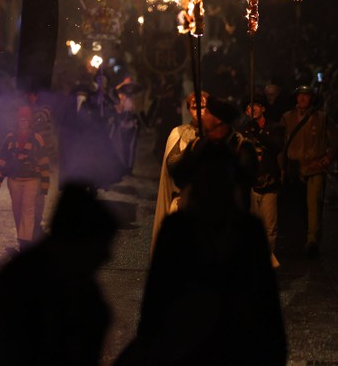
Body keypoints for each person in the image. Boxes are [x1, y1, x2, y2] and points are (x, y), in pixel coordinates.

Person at [117, 142, 286, 365]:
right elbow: (158, 297)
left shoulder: (247, 230)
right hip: (188, 345)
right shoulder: (177, 228)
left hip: (233, 345)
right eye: (208, 179)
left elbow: (265, 301)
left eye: (220, 179)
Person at [0, 183, 118, 366]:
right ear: (75, 244)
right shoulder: (35, 282)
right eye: (100, 245)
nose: (106, 256)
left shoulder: (43, 273)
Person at [279, 85, 336, 257]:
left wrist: (329, 157)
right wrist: (281, 167)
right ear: (295, 98)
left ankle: (312, 239)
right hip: (294, 169)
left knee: (313, 204)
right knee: (296, 206)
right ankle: (298, 239)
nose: (303, 98)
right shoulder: (287, 118)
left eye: (306, 95)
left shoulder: (322, 118)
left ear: (312, 99)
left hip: (315, 167)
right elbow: (281, 145)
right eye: (300, 95)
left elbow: (335, 138)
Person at [0, 104, 55, 252]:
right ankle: (24, 240)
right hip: (14, 180)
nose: (23, 122)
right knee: (17, 210)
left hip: (32, 180)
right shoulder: (10, 138)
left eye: (25, 119)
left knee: (28, 210)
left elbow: (44, 162)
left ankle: (25, 244)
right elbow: (2, 160)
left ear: (29, 121)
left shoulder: (36, 138)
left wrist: (44, 185)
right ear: (17, 120)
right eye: (21, 119)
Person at [150, 90, 207, 255]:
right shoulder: (179, 133)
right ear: (189, 109)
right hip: (183, 201)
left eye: (203, 107)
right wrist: (192, 148)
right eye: (194, 107)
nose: (199, 111)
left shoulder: (217, 134)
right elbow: (172, 166)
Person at [241, 92, 283, 268]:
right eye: (249, 106)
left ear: (263, 108)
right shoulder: (242, 129)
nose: (253, 109)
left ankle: (267, 259)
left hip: (269, 183)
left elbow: (276, 146)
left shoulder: (275, 127)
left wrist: (258, 131)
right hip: (250, 185)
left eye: (256, 105)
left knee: (270, 228)